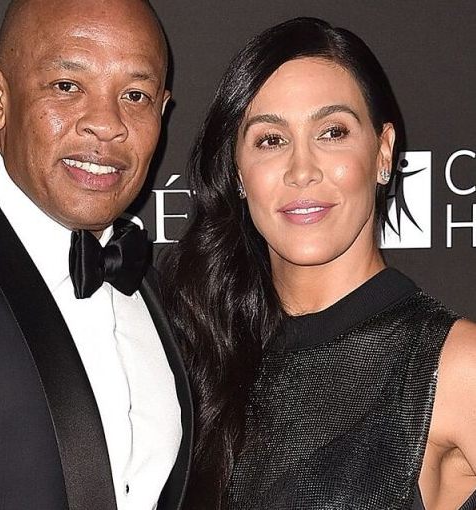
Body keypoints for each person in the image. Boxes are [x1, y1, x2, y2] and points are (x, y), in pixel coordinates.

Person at [162, 17, 476, 510]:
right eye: (270, 139)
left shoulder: (455, 364)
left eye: (332, 132)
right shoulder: (197, 355)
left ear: (383, 152)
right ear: (238, 172)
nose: (302, 170)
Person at [0, 0, 192, 508]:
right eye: (67, 86)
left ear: (162, 112)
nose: (107, 124)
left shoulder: (156, 290)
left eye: (135, 95)